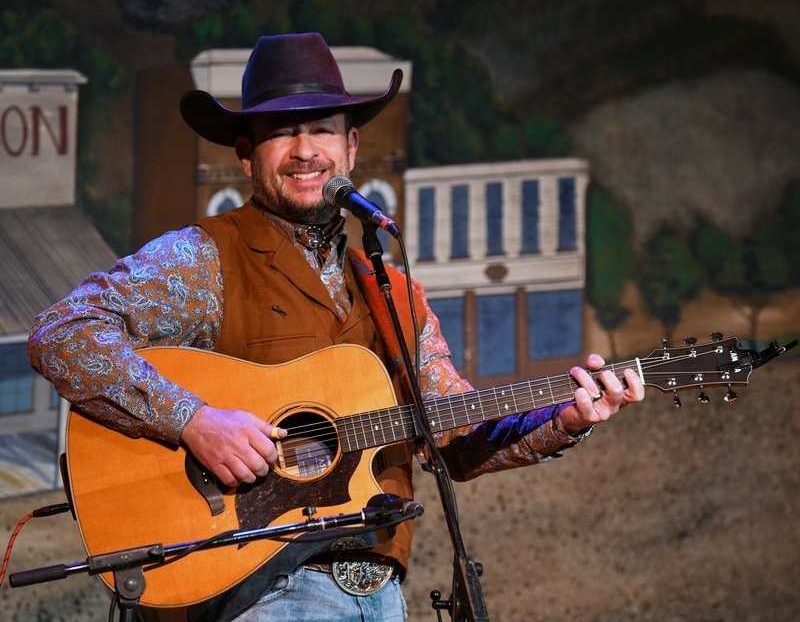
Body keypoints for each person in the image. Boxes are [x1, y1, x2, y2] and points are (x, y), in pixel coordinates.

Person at [27, 32, 645, 622]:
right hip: (259, 589)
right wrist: (194, 418)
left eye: (322, 129)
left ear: (351, 149)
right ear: (246, 154)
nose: (304, 151)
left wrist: (564, 418)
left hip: (379, 593)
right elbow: (62, 332)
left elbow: (454, 437)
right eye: (281, 133)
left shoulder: (393, 291)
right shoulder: (203, 259)